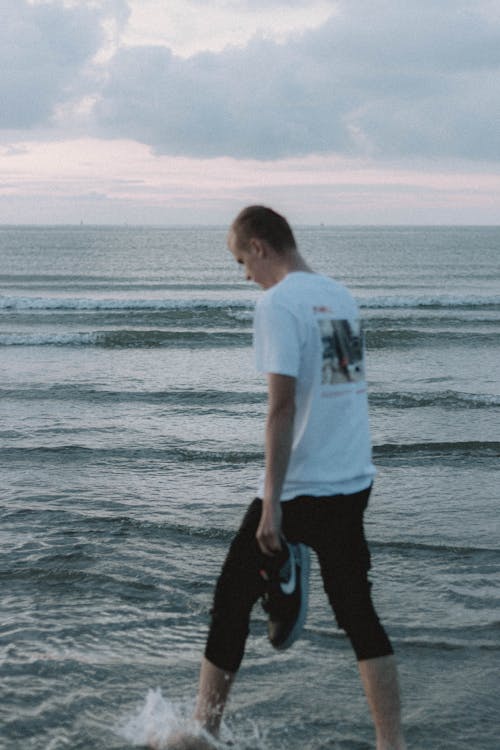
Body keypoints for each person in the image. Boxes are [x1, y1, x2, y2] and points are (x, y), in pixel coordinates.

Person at [164, 206, 406, 750]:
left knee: (230, 598)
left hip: (301, 485)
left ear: (259, 247)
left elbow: (281, 409)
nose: (243, 274)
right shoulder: (339, 295)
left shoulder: (276, 304)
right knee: (357, 611)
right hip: (351, 478)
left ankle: (202, 733)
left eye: (239, 261)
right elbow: (340, 389)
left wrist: (271, 503)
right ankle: (393, 745)